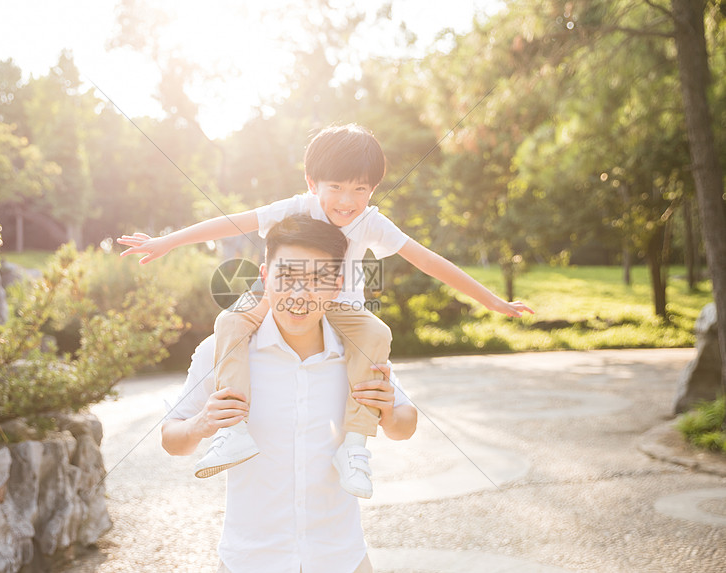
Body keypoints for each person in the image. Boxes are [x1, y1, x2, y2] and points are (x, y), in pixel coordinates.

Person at [119, 123, 533, 499]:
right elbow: (233, 222)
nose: (347, 201)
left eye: (360, 189)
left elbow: (427, 260)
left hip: (338, 305)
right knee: (231, 321)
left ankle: (354, 447)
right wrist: (168, 241)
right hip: (279, 294)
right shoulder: (297, 207)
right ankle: (233, 430)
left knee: (376, 334)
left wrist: (491, 300)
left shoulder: (371, 223)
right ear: (312, 181)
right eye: (335, 187)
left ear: (372, 189)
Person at [161, 215, 418, 573]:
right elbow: (171, 439)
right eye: (287, 278)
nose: (300, 294)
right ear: (265, 277)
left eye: (317, 280)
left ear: (337, 284)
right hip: (249, 560)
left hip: (341, 558)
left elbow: (405, 426)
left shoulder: (357, 350)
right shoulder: (222, 350)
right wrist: (201, 425)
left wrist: (389, 413)